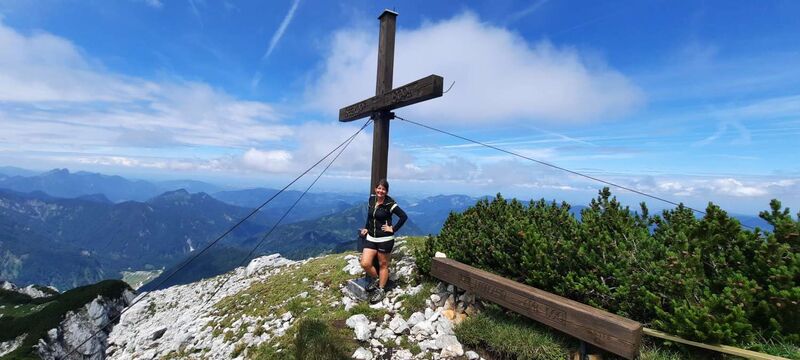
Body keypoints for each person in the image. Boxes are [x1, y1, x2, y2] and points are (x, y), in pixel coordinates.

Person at [359, 179, 407, 303]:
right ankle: (376, 279)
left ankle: (381, 289)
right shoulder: (372, 200)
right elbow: (370, 217)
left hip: (385, 239)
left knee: (383, 264)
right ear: (375, 189)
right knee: (365, 263)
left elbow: (403, 216)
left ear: (386, 191)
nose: (381, 191)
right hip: (371, 237)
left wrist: (393, 229)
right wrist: (366, 228)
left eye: (383, 189)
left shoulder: (390, 204)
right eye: (379, 188)